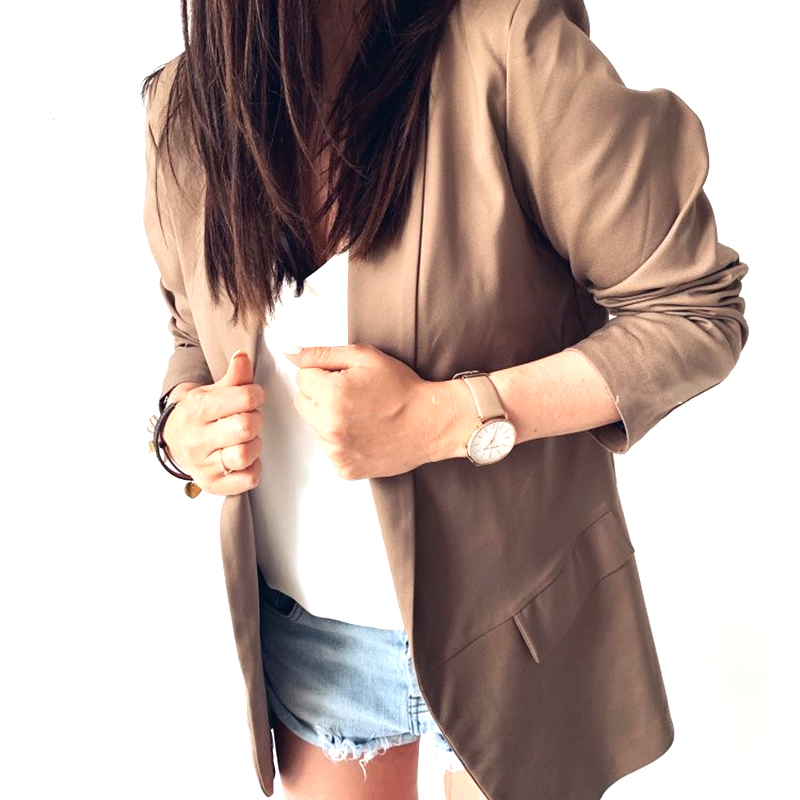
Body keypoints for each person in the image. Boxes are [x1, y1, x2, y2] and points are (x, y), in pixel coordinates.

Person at [142, 1, 749, 799]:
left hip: (519, 626)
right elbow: (194, 331)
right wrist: (179, 429)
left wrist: (450, 419)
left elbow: (694, 309)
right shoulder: (186, 108)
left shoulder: (510, 45)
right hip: (314, 641)